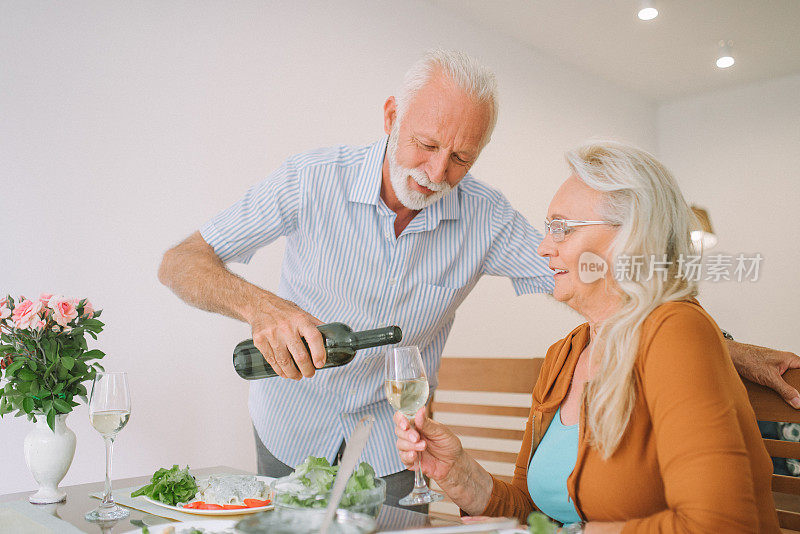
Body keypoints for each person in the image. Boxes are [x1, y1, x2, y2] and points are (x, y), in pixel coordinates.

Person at [158, 49, 798, 504]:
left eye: (461, 156)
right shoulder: (309, 180)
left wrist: (727, 351)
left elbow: (610, 290)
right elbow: (180, 261)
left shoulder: (485, 217)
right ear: (390, 118)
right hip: (288, 428)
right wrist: (260, 308)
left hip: (395, 444)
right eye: (424, 146)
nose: (437, 172)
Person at [393, 141, 780, 532]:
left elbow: (721, 524)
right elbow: (535, 513)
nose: (544, 248)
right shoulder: (566, 354)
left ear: (630, 236)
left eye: (560, 228)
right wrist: (459, 474)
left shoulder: (675, 330)